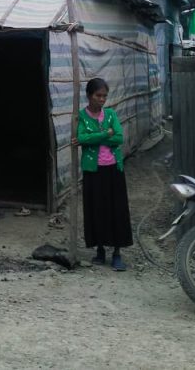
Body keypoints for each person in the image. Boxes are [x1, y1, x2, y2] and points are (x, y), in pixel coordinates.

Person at [75, 77, 132, 271]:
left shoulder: (110, 114)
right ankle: (100, 250)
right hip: (94, 171)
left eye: (104, 96)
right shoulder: (82, 116)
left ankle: (117, 253)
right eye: (98, 95)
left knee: (117, 210)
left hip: (113, 169)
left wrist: (96, 138)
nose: (102, 99)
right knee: (96, 209)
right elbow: (82, 137)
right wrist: (105, 135)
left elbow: (119, 137)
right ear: (89, 95)